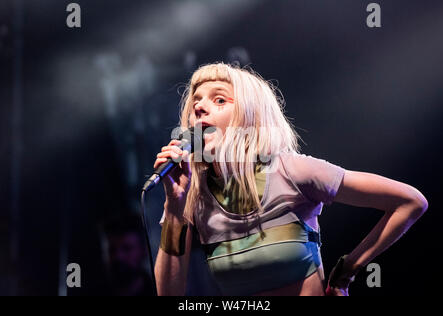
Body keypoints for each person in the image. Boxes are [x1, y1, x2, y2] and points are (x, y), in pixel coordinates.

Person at [153, 62, 428, 296]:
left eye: (220, 99)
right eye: (196, 102)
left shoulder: (291, 171)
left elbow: (409, 202)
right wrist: (174, 210)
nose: (199, 108)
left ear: (249, 116)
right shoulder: (193, 196)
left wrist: (347, 269)